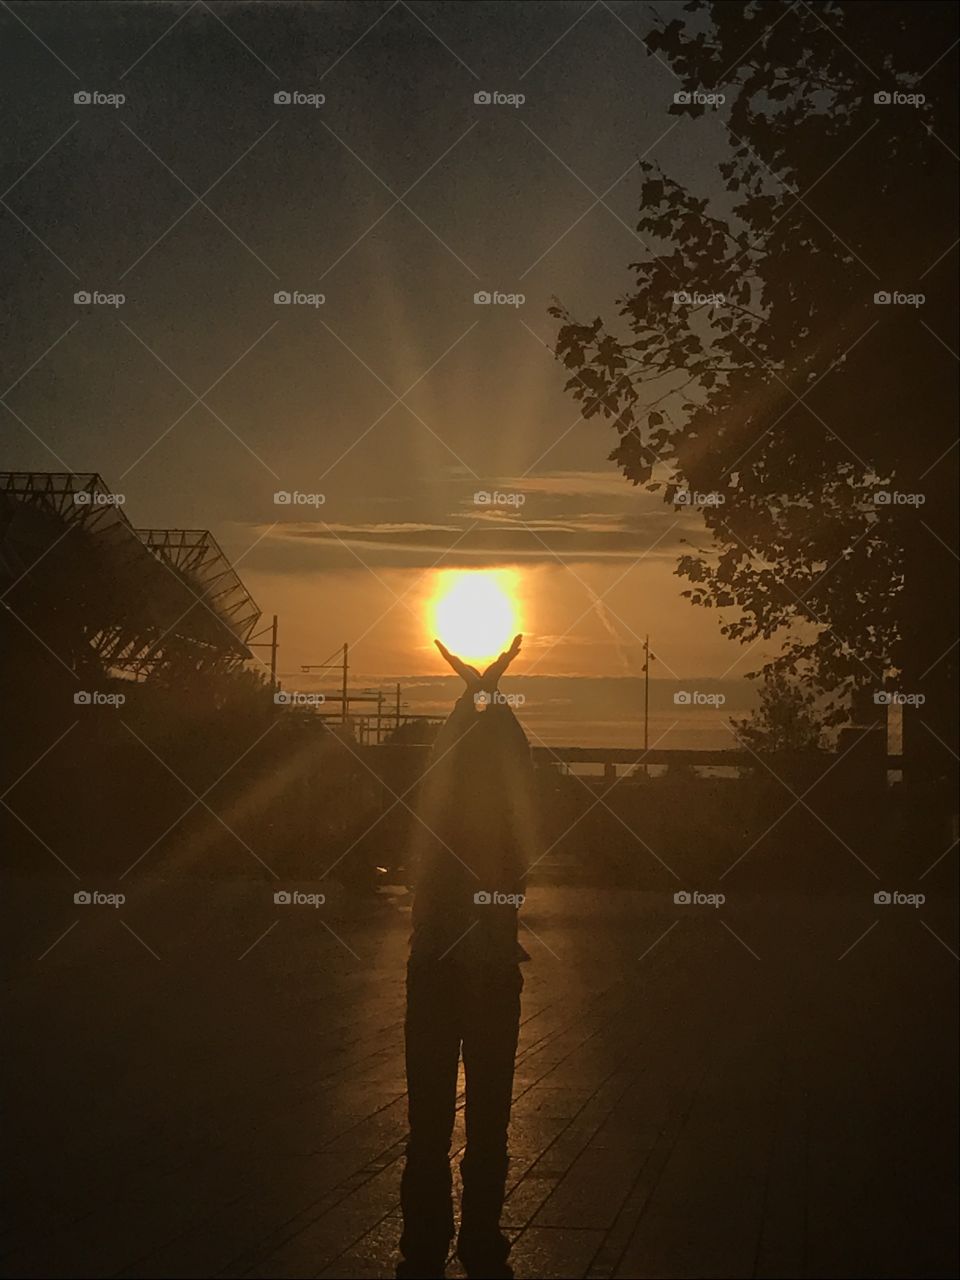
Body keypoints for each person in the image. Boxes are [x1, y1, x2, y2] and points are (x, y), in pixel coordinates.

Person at [397, 634, 537, 1279]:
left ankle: (421, 1241)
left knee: (427, 1114)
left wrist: (472, 694)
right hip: (490, 970)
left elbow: (439, 768)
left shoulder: (432, 820)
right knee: (490, 1113)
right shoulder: (508, 833)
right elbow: (516, 766)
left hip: (431, 969)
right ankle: (481, 1237)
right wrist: (490, 693)